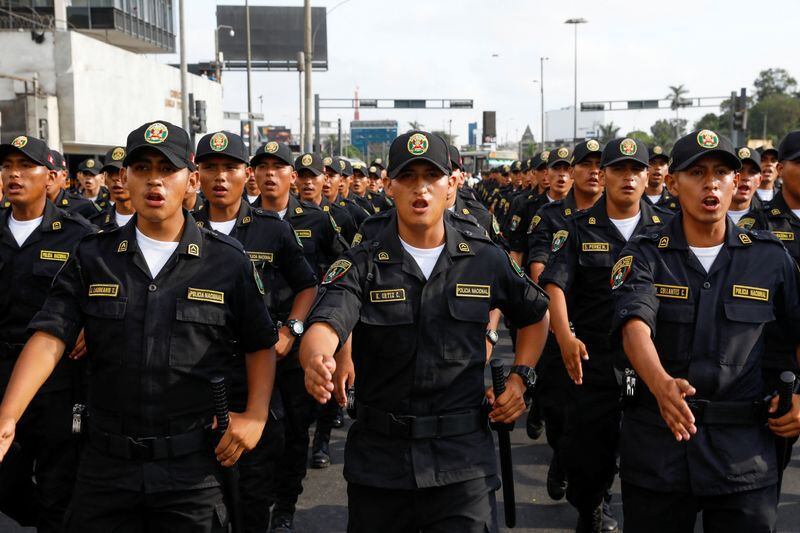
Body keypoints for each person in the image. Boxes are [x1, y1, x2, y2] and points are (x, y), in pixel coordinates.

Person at [0, 121, 278, 532]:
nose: (154, 181)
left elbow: (260, 342)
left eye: (167, 170)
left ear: (191, 181)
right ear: (125, 178)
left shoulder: (227, 262)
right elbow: (51, 334)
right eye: (142, 168)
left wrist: (254, 415)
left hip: (191, 468)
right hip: (105, 465)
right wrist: (7, 417)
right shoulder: (94, 255)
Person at [300, 130, 550, 533]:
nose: (420, 188)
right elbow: (327, 319)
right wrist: (317, 356)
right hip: (380, 464)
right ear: (389, 187)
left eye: (431, 176)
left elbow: (537, 314)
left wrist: (522, 378)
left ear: (451, 183)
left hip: (461, 463)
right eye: (408, 177)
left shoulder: (484, 258)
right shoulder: (363, 262)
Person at [612, 129, 800, 533]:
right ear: (674, 183)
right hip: (659, 447)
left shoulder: (770, 259)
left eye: (721, 172)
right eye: (696, 172)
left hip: (744, 455)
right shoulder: (645, 252)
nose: (711, 182)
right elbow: (634, 326)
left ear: (736, 182)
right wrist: (660, 383)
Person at [540, 137, 672, 532]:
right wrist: (564, 336)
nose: (628, 178)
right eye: (619, 170)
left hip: (649, 360)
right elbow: (555, 285)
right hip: (593, 358)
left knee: (644, 452)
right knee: (589, 452)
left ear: (648, 176)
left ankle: (612, 508)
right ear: (605, 176)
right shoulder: (579, 227)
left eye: (636, 170)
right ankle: (589, 502)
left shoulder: (667, 229)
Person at [194, 131, 318, 533]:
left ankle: (280, 506)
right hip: (198, 370)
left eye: (229, 168)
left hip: (260, 370)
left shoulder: (270, 229)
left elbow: (308, 284)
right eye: (210, 168)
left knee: (253, 490)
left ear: (243, 175)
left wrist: (292, 330)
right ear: (196, 176)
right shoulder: (185, 228)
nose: (219, 177)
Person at [0, 135, 94, 532]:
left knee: (60, 479)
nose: (14, 174)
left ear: (51, 176)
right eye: (7, 166)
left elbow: (104, 290)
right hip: (2, 372)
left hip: (58, 379)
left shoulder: (78, 234)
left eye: (26, 166)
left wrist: (91, 324)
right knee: (5, 481)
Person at [252, 143, 348, 533]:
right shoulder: (240, 221)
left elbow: (339, 276)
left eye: (279, 167)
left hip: (297, 343)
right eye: (263, 166)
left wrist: (336, 342)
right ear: (253, 174)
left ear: (291, 176)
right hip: (245, 345)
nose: (270, 174)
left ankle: (285, 506)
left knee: (293, 431)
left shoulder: (318, 221)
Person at [524, 139, 605, 503]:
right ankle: (562, 458)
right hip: (560, 329)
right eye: (585, 164)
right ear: (572, 171)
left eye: (600, 164)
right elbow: (539, 266)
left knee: (606, 423)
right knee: (560, 414)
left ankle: (596, 502)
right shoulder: (553, 217)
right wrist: (560, 323)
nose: (593, 171)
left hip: (605, 335)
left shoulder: (617, 217)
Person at [44, 150, 101, 220]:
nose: (48, 177)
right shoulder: (29, 205)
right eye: (44, 172)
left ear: (64, 175)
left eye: (53, 173)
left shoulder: (84, 206)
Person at [90, 146, 136, 231]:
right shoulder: (95, 223)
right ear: (105, 178)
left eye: (122, 173)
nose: (115, 178)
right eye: (111, 173)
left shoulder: (151, 221)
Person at [728, 147, 762, 227]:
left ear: (759, 180)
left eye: (752, 172)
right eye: (739, 171)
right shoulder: (709, 213)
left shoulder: (769, 217)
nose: (745, 177)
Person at [644, 146, 679, 211]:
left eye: (662, 164)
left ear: (667, 169)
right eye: (653, 163)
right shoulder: (635, 199)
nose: (658, 167)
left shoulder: (676, 199)